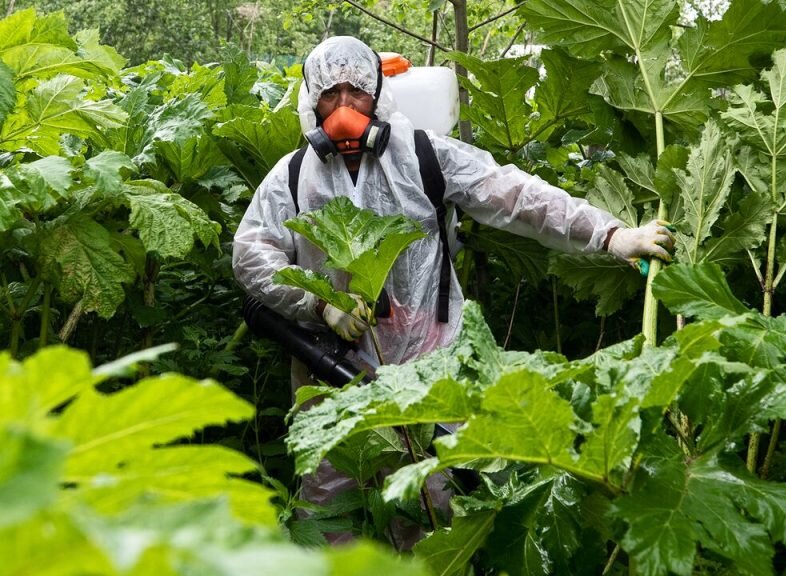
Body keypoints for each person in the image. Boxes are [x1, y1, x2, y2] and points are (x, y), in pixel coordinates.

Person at [232, 36, 673, 544]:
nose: (345, 107)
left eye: (357, 91)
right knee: (329, 508)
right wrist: (317, 305)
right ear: (311, 102)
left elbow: (516, 195)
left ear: (379, 94)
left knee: (433, 508)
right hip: (332, 370)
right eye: (331, 94)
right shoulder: (291, 177)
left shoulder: (423, 155)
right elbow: (251, 253)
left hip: (429, 368)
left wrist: (613, 235)